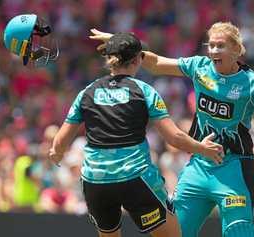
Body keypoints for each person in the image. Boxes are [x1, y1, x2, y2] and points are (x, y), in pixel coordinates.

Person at [90, 21, 254, 237]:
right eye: (210, 45)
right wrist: (120, 45)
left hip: (234, 167)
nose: (213, 51)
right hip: (199, 166)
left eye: (220, 46)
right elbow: (155, 64)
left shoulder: (251, 83)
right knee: (177, 231)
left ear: (236, 49)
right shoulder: (199, 67)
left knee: (238, 230)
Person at [49, 32, 223, 237]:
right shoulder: (144, 91)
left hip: (95, 182)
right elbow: (174, 137)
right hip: (135, 178)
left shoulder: (87, 92)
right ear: (138, 59)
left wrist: (56, 153)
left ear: (109, 59)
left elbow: (60, 141)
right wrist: (201, 148)